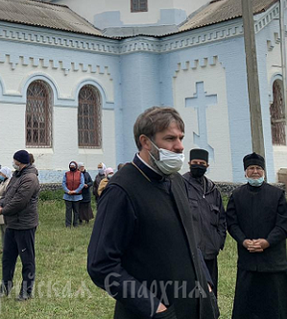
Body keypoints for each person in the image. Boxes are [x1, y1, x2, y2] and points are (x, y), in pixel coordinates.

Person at [87, 106, 218, 319]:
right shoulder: (121, 190)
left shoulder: (177, 181)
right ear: (146, 141)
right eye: (170, 139)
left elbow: (190, 241)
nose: (179, 146)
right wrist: (154, 307)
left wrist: (207, 286)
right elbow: (101, 265)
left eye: (181, 138)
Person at [226, 152, 287, 319]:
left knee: (278, 308)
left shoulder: (277, 195)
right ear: (245, 172)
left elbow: (284, 226)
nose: (255, 172)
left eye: (258, 168)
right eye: (251, 168)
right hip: (248, 261)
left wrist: (267, 242)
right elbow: (232, 224)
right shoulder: (237, 196)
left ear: (264, 171)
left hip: (273, 262)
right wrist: (244, 241)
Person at [0, 150, 40, 301]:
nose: (13, 163)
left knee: (27, 260)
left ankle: (26, 291)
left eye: (15, 161)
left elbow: (20, 200)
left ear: (21, 162)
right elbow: (8, 194)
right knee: (8, 258)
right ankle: (5, 287)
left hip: (25, 225)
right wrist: (1, 204)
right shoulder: (16, 175)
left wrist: (3, 210)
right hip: (12, 224)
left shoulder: (30, 178)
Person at [182, 149, 226, 294]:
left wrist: (218, 242)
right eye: (195, 163)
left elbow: (221, 219)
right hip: (190, 253)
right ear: (189, 163)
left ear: (207, 165)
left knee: (211, 293)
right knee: (192, 293)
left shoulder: (213, 190)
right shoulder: (180, 185)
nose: (198, 166)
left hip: (210, 251)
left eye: (202, 163)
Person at [0, 166, 13, 254]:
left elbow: (6, 196)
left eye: (1, 173)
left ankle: (8, 248)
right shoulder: (3, 182)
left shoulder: (8, 183)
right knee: (2, 231)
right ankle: (4, 247)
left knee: (6, 230)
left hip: (4, 207)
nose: (0, 175)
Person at [62, 160, 85, 227]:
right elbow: (63, 183)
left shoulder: (80, 174)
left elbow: (82, 183)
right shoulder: (66, 174)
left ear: (76, 167)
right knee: (68, 211)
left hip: (77, 196)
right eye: (71, 166)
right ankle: (68, 224)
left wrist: (76, 191)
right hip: (67, 196)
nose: (72, 167)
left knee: (76, 211)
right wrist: (67, 191)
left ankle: (76, 224)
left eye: (73, 166)